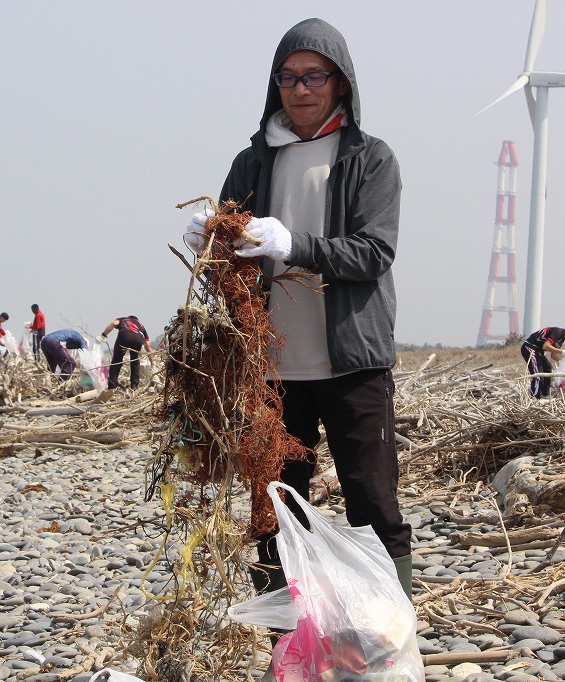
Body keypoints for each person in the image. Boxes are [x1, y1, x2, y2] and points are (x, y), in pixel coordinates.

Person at [183, 18, 412, 601]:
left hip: (352, 362)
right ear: (274, 85)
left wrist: (297, 246)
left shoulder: (371, 158)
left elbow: (374, 252)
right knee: (276, 503)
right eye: (288, 77)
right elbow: (232, 244)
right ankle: (287, 627)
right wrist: (209, 238)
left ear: (341, 83)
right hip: (269, 369)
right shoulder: (255, 160)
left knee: (372, 498)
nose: (300, 88)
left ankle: (388, 628)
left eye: (314, 76)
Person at [520, 324, 565, 399]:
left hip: (538, 351)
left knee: (547, 368)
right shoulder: (558, 332)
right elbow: (546, 346)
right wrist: (562, 352)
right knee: (538, 375)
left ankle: (544, 394)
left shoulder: (561, 340)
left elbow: (554, 356)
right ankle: (534, 398)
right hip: (530, 347)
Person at [99, 316, 152, 390]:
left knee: (117, 361)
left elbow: (113, 324)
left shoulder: (123, 319)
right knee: (135, 361)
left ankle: (112, 384)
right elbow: (147, 344)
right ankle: (134, 385)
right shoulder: (141, 325)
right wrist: (152, 360)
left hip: (124, 337)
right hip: (137, 339)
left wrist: (103, 335)